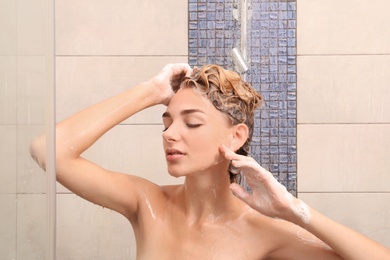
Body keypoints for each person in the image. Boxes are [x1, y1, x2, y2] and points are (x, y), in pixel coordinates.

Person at [30, 64, 390, 259]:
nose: (170, 134)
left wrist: (294, 210)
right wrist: (151, 92)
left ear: (236, 137)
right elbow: (48, 150)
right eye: (168, 121)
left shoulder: (265, 231)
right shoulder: (146, 203)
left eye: (192, 122)